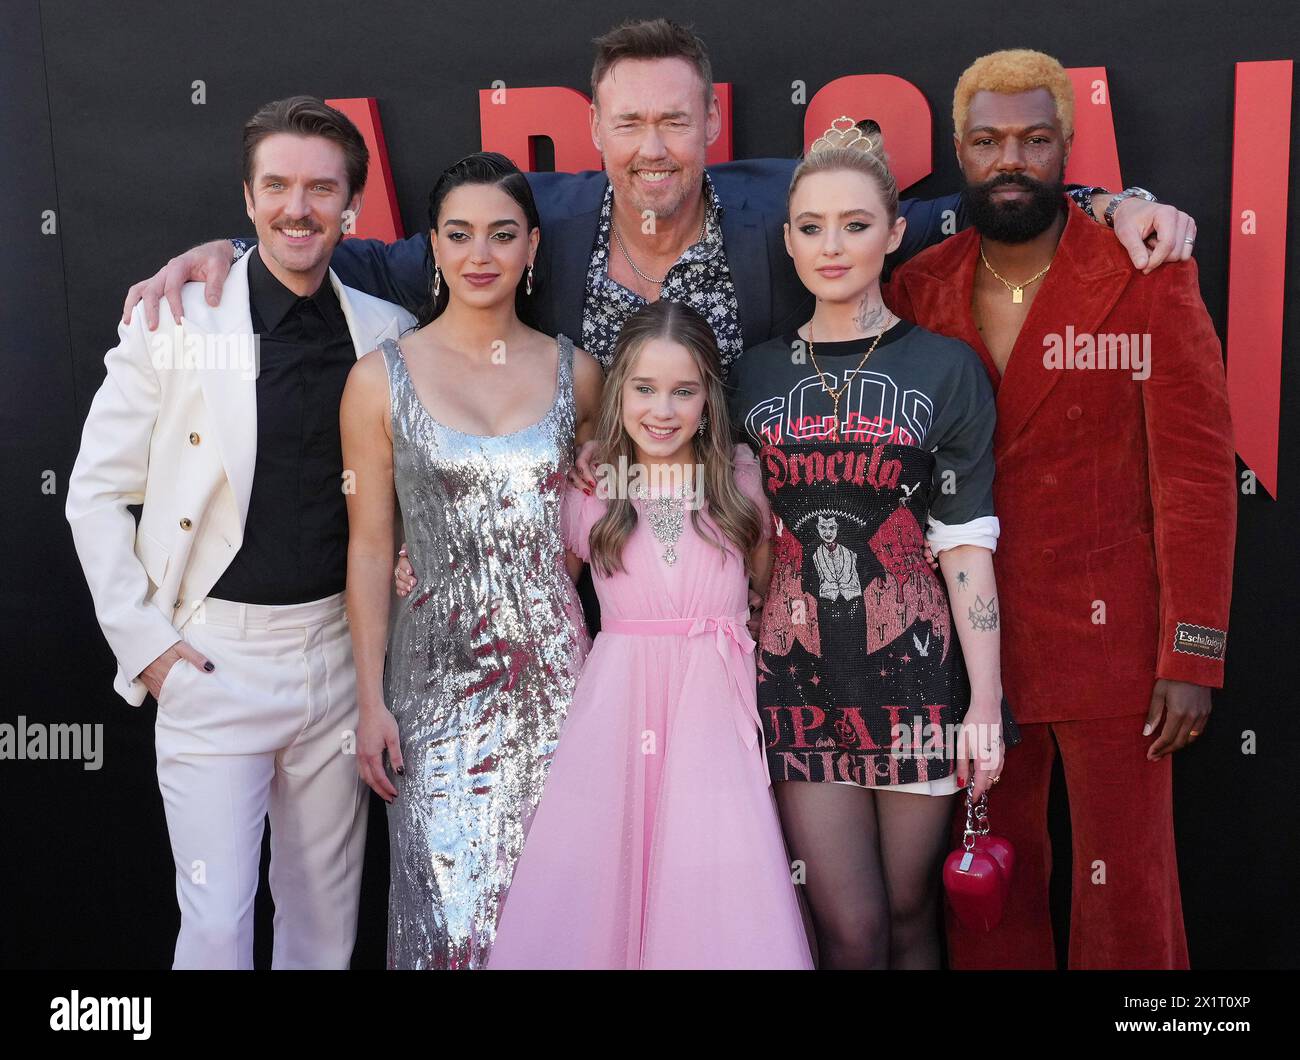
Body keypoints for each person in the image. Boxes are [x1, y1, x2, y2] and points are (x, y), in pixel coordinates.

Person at [122, 20, 1194, 375]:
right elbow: (363, 257)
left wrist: (1111, 201)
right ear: (594, 130)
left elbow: (955, 213)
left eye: (673, 121)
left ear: (712, 125)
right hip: (588, 578)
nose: (652, 149)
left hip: (753, 568)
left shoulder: (786, 207)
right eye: (629, 123)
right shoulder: (536, 221)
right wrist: (231, 249)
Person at [885, 49, 1237, 969]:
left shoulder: (1145, 272)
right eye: (989, 141)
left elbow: (1197, 476)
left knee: (1131, 897)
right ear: (959, 150)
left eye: (1035, 139)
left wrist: (1191, 650)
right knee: (990, 895)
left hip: (1116, 646)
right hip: (968, 652)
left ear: (1066, 150)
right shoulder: (915, 287)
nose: (1011, 159)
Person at [65, 96, 415, 968]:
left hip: (339, 657)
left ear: (352, 204)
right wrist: (145, 644)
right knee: (217, 926)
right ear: (249, 198)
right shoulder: (174, 322)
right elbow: (94, 493)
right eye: (278, 186)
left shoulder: (390, 334)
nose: (299, 207)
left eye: (321, 188)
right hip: (212, 660)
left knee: (324, 928)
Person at [726, 116, 1008, 970]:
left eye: (855, 224)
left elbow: (964, 546)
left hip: (915, 675)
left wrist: (984, 705)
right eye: (811, 226)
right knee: (848, 928)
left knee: (913, 912)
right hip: (796, 682)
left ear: (893, 233)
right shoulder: (751, 374)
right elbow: (718, 519)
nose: (832, 245)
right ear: (787, 240)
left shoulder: (945, 369)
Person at [488, 299, 813, 969]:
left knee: (712, 874)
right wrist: (414, 561)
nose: (662, 410)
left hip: (714, 710)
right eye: (643, 388)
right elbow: (542, 594)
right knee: (608, 873)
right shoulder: (591, 489)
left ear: (708, 399)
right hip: (617, 712)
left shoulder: (739, 483)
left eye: (683, 391)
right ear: (618, 393)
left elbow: (764, 595)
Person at [340, 151, 603, 969]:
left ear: (532, 247)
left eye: (502, 234)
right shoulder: (378, 380)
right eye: (458, 235)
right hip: (432, 692)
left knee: (558, 919)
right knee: (448, 928)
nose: (479, 254)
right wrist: (370, 700)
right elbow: (370, 545)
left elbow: (594, 524)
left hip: (558, 686)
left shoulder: (581, 374)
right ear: (433, 246)